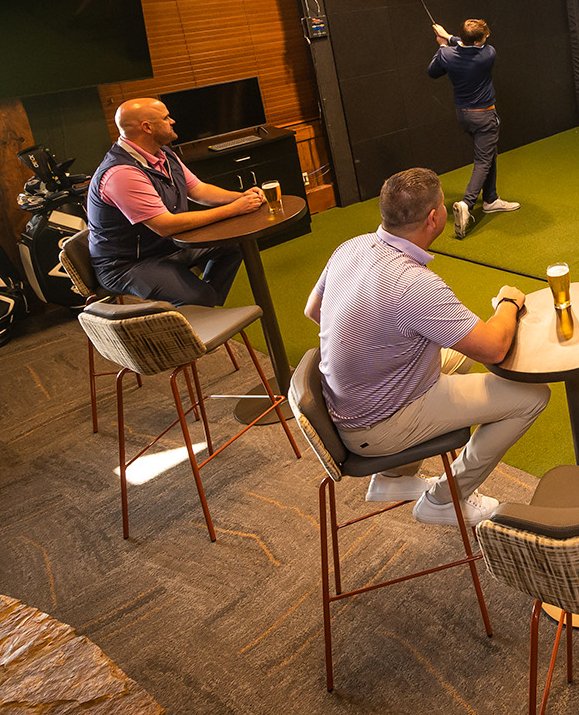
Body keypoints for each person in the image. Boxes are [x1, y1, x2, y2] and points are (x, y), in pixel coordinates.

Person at [304, 167, 551, 520]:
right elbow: (494, 347)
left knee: (457, 358)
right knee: (532, 397)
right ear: (434, 218)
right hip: (379, 426)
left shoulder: (351, 246)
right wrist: (509, 303)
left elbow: (314, 310)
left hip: (349, 403)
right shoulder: (414, 285)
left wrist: (383, 347)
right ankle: (444, 500)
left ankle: (393, 479)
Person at [84, 97, 266, 307]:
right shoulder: (122, 174)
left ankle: (206, 310)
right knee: (198, 297)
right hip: (127, 265)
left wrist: (241, 197)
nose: (172, 121)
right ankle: (202, 308)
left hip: (169, 246)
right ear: (147, 127)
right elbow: (165, 226)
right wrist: (234, 209)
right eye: (166, 118)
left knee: (234, 245)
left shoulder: (163, 154)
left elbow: (198, 190)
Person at [428, 18, 519, 238]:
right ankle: (467, 204)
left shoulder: (447, 55)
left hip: (464, 115)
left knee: (488, 153)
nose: (488, 38)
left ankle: (490, 199)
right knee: (483, 159)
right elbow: (463, 44)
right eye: (485, 36)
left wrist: (443, 43)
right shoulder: (487, 54)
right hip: (484, 116)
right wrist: (448, 39)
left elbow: (433, 71)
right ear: (478, 42)